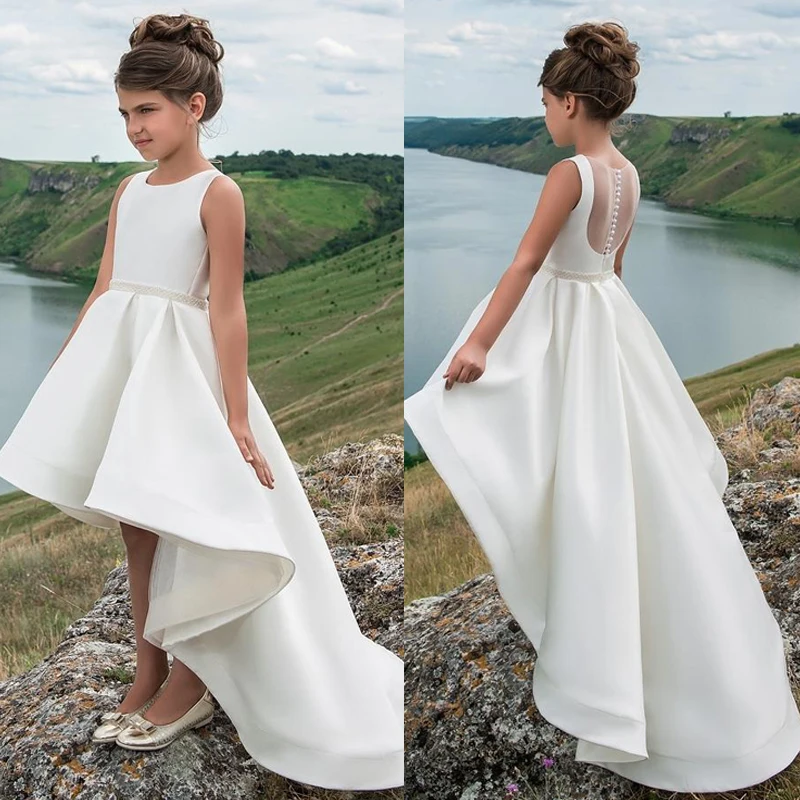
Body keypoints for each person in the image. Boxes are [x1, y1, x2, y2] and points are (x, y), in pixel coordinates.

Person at [0, 12, 402, 791]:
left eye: (146, 110)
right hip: (124, 374)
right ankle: (146, 673)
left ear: (195, 106)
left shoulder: (220, 192)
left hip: (179, 381)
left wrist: (237, 416)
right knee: (137, 531)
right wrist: (66, 368)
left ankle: (190, 680)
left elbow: (226, 308)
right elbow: (106, 286)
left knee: (187, 523)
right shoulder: (127, 190)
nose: (133, 128)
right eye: (123, 114)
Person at [404, 20, 800, 793]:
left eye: (548, 102)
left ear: (575, 102)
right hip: (608, 322)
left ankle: (582, 604)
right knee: (622, 470)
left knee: (562, 463)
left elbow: (526, 261)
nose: (544, 116)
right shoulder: (631, 174)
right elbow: (613, 266)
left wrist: (481, 343)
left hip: (562, 327)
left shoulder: (570, 174)